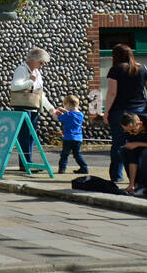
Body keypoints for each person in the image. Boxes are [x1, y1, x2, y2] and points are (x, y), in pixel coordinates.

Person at [95, 44, 146, 185]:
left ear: (115, 55)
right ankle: (138, 178)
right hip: (140, 111)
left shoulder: (115, 70)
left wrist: (106, 113)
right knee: (138, 144)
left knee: (118, 144)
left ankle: (117, 176)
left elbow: (112, 93)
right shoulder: (142, 68)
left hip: (120, 111)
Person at [8, 47, 60, 167]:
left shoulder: (37, 72)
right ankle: (26, 163)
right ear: (33, 59)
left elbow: (40, 93)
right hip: (23, 108)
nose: (42, 64)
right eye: (41, 61)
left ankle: (27, 162)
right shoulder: (21, 69)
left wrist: (51, 109)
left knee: (31, 136)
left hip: (33, 108)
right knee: (25, 136)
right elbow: (14, 87)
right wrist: (30, 82)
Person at [56, 95, 89, 175]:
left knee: (65, 154)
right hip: (78, 138)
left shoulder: (68, 115)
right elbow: (72, 114)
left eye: (65, 106)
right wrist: (64, 110)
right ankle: (84, 167)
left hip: (68, 138)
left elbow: (57, 118)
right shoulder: (81, 114)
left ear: (69, 105)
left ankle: (62, 169)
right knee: (77, 154)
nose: (65, 107)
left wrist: (55, 112)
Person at [120, 114, 147, 197]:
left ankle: (145, 185)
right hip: (142, 144)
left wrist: (137, 144)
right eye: (127, 131)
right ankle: (136, 184)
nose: (131, 133)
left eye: (133, 131)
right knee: (125, 150)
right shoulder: (130, 132)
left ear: (140, 123)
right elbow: (132, 159)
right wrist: (132, 183)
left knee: (145, 154)